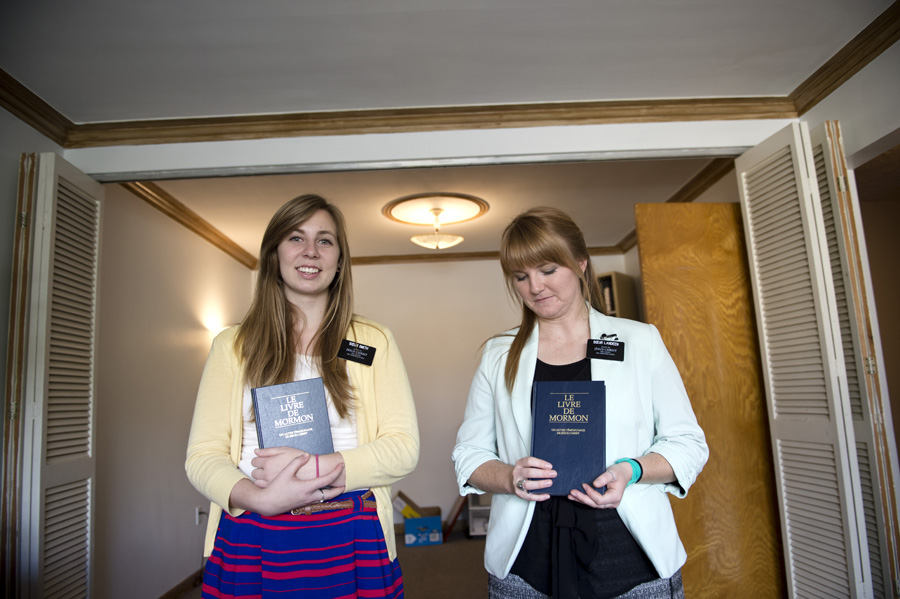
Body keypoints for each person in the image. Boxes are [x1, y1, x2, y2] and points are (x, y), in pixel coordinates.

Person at [452, 207, 708, 599]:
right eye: (521, 276)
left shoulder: (639, 341)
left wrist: (631, 470)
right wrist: (508, 476)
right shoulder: (499, 354)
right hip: (528, 563)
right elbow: (469, 455)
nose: (535, 286)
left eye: (548, 270)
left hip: (630, 558)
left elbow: (688, 443)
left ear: (581, 264)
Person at [186, 194, 419, 599]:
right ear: (274, 253)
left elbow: (403, 449)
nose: (311, 251)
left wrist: (314, 468)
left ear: (340, 260)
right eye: (296, 238)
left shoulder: (373, 341)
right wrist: (260, 499)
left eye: (325, 240)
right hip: (254, 528)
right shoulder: (232, 346)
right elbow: (202, 457)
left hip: (351, 530)